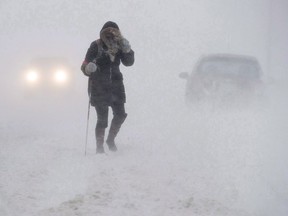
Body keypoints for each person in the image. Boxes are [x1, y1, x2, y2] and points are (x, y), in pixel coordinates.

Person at [81, 21, 135, 154]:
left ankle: (110, 139)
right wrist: (88, 68)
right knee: (102, 119)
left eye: (114, 32)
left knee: (120, 114)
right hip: (99, 86)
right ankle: (99, 147)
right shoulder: (96, 45)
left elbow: (128, 63)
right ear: (102, 33)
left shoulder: (120, 45)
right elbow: (84, 65)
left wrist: (128, 51)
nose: (110, 35)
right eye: (107, 32)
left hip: (116, 86)